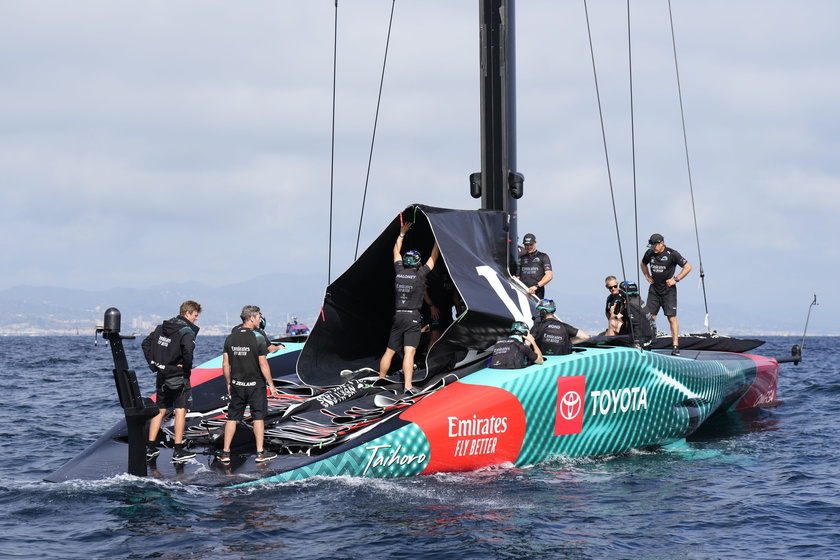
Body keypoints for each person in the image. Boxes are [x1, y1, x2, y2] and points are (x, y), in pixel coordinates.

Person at [379, 221, 439, 395]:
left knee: (389, 351)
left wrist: (402, 233)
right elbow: (434, 256)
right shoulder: (420, 275)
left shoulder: (399, 271)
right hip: (412, 317)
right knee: (409, 352)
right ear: (417, 263)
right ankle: (408, 386)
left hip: (398, 316)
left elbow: (395, 251)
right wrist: (437, 239)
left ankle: (380, 379)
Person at [217, 305, 279, 465]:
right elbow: (263, 363)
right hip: (256, 385)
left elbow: (225, 364)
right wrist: (271, 385)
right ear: (251, 318)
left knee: (232, 418)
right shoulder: (257, 337)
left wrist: (228, 383)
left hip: (237, 385)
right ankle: (260, 453)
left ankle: (225, 453)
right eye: (258, 316)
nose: (260, 319)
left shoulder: (231, 337)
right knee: (258, 417)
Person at [142, 300, 202, 463]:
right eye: (195, 316)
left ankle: (150, 448)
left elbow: (146, 343)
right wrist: (187, 369)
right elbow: (188, 352)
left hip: (162, 375)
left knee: (160, 410)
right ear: (187, 313)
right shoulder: (186, 331)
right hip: (178, 376)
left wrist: (153, 364)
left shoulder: (162, 327)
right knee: (181, 410)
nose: (196, 319)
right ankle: (178, 450)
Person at [640, 233, 692, 355]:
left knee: (671, 317)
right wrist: (647, 275)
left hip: (668, 290)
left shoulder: (672, 254)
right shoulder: (649, 253)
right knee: (650, 317)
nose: (653, 248)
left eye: (655, 246)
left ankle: (675, 346)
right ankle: (648, 343)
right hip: (654, 289)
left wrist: (676, 279)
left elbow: (688, 267)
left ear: (661, 243)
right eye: (651, 246)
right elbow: (643, 264)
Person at [617, 280, 653, 349]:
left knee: (612, 339)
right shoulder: (640, 301)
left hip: (641, 339)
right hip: (648, 338)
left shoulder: (631, 305)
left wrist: (637, 343)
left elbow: (637, 324)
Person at [516, 233, 553, 299]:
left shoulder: (543, 256)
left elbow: (549, 276)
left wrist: (536, 286)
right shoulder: (521, 258)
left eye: (531, 244)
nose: (529, 247)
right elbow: (518, 277)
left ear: (535, 243)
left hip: (537, 293)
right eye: (526, 245)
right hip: (523, 292)